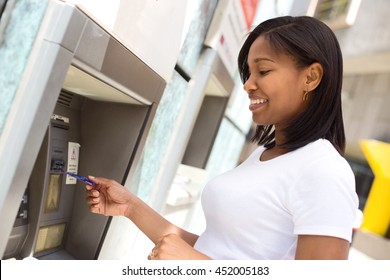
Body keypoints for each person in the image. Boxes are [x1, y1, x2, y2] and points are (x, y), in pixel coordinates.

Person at [85, 15, 358, 260]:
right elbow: (215, 250)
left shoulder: (324, 170)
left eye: (263, 71)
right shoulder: (265, 154)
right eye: (249, 72)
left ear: (311, 77)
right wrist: (130, 207)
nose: (248, 84)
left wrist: (196, 265)